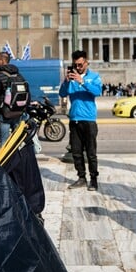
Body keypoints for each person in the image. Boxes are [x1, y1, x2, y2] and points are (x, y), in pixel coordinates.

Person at [59, 50, 102, 191]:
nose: (78, 67)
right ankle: (81, 177)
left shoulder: (94, 76)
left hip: (89, 119)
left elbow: (97, 92)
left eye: (80, 64)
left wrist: (82, 81)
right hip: (75, 119)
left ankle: (94, 179)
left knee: (91, 152)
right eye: (75, 65)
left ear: (86, 62)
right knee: (76, 152)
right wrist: (66, 82)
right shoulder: (71, 79)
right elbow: (62, 93)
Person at [0, 51, 29, 145]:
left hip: (5, 113)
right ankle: (18, 159)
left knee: (5, 143)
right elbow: (26, 92)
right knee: (17, 141)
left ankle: (6, 160)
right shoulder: (19, 75)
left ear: (2, 60)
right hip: (18, 112)